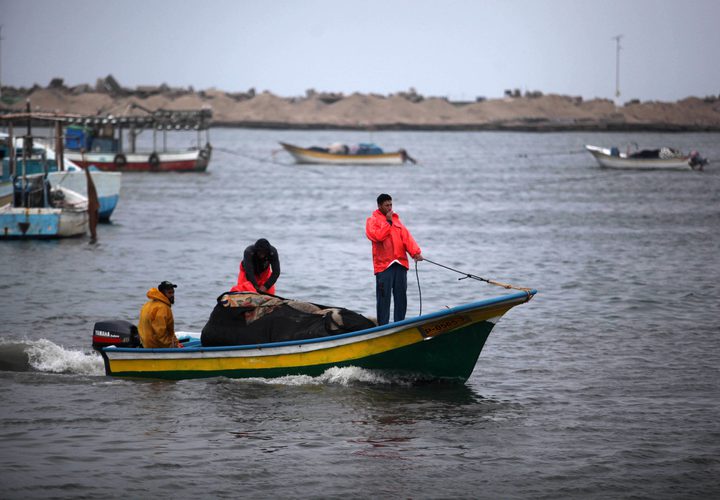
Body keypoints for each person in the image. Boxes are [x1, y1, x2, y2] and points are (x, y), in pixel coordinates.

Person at [365, 193, 423, 325]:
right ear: (379, 206)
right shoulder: (372, 221)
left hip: (400, 263)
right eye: (387, 205)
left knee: (401, 298)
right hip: (384, 266)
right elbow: (378, 237)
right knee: (384, 298)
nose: (390, 207)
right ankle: (383, 326)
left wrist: (415, 253)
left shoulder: (397, 221)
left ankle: (399, 325)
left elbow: (407, 238)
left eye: (391, 204)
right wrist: (388, 222)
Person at [138, 280, 183, 348]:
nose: (172, 295)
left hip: (145, 345)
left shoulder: (148, 304)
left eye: (173, 292)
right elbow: (160, 334)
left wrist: (176, 343)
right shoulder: (163, 308)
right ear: (162, 294)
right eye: (169, 293)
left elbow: (169, 332)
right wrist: (171, 346)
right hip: (156, 346)